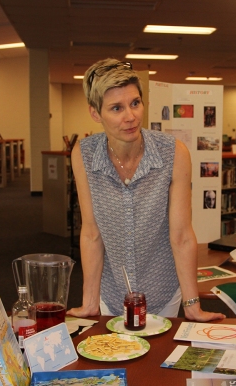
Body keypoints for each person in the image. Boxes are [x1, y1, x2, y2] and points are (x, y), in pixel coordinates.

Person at [65, 58, 224, 322]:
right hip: (112, 293)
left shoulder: (173, 153)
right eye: (116, 108)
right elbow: (92, 233)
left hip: (163, 292)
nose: (130, 116)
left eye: (135, 103)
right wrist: (89, 302)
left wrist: (192, 304)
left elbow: (182, 235)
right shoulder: (84, 154)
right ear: (95, 113)